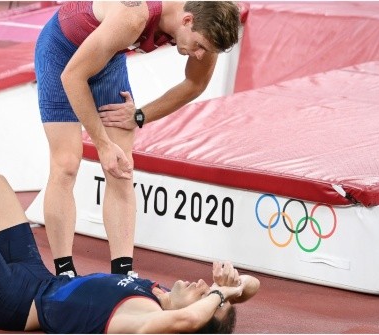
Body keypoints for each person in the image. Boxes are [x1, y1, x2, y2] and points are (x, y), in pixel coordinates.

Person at [0, 171, 260, 333]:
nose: (202, 284)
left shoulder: (147, 319)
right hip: (36, 275)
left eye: (204, 294)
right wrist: (233, 286)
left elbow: (190, 317)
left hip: (15, 302)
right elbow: (252, 286)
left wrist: (216, 296)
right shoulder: (157, 292)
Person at [34, 1, 242, 277]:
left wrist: (140, 115)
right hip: (61, 53)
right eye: (200, 46)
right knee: (67, 163)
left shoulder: (207, 24)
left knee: (122, 168)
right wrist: (103, 145)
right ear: (187, 21)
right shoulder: (133, 17)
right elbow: (73, 76)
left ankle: (123, 274)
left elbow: (195, 84)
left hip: (107, 57)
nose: (200, 55)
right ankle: (64, 273)